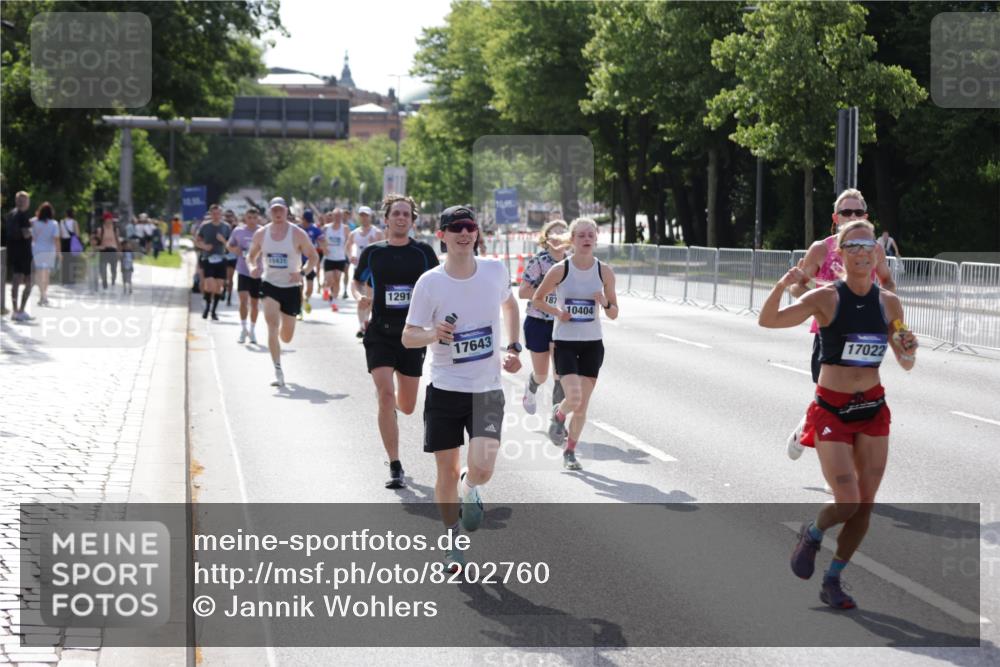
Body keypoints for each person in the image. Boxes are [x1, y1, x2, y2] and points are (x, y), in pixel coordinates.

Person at [759, 219, 918, 610]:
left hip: (873, 409)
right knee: (846, 501)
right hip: (831, 409)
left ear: (877, 255)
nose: (863, 252)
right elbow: (769, 320)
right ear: (841, 256)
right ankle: (813, 533)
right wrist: (782, 285)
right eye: (854, 246)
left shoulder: (889, 303)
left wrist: (909, 346)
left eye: (869, 246)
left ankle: (833, 578)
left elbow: (906, 360)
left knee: (865, 503)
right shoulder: (827, 297)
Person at [403, 205, 523, 572]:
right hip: (445, 388)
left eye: (470, 226)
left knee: (482, 468)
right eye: (456, 227)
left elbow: (510, 304)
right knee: (445, 471)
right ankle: (452, 540)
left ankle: (472, 488)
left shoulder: (493, 270)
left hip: (487, 388)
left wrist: (514, 348)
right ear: (441, 234)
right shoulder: (430, 282)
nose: (464, 233)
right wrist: (432, 334)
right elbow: (409, 337)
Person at [785, 189, 895, 461]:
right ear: (836, 217)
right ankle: (811, 431)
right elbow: (797, 288)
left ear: (866, 218)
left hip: (864, 336)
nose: (852, 216)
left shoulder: (876, 249)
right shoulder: (821, 249)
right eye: (846, 212)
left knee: (858, 400)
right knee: (832, 400)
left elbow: (887, 281)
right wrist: (813, 299)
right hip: (829, 335)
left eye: (858, 212)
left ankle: (839, 463)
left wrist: (887, 305)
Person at [355, 195, 439, 489]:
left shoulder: (423, 253)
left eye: (406, 214)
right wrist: (362, 297)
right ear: (386, 219)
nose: (401, 218)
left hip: (412, 335)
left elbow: (439, 283)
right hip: (379, 332)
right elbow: (357, 283)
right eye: (396, 213)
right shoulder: (373, 253)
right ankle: (395, 464)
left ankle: (390, 409)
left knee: (407, 405)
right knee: (385, 395)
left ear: (413, 220)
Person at [532, 218, 619, 471]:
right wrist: (558, 312)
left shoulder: (605, 272)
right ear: (573, 239)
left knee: (581, 406)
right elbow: (537, 300)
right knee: (574, 396)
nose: (586, 239)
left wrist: (603, 302)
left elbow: (614, 313)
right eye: (581, 235)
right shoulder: (561, 270)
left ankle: (570, 452)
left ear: (596, 238)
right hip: (566, 343)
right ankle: (559, 415)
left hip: (593, 344)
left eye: (590, 235)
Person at [247, 197, 319, 387]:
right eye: (274, 210)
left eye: (281, 210)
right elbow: (251, 256)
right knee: (271, 325)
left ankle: (280, 337)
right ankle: (278, 370)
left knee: (286, 336)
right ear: (270, 212)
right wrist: (253, 266)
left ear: (287, 211)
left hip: (291, 288)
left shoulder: (297, 234)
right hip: (269, 284)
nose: (278, 214)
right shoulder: (262, 234)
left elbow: (313, 257)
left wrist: (302, 272)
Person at [518, 220, 570, 414]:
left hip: (562, 323)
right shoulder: (539, 262)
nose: (558, 238)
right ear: (546, 240)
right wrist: (546, 293)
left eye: (563, 234)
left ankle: (557, 422)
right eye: (554, 234)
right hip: (538, 321)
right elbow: (522, 292)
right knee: (542, 374)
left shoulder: (573, 261)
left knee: (560, 375)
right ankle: (531, 387)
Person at [227, 207, 264, 344]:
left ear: (258, 218)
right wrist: (234, 249)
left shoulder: (263, 231)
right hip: (243, 270)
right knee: (243, 301)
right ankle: (243, 329)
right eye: (249, 218)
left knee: (254, 304)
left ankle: (252, 330)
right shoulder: (238, 231)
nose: (252, 221)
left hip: (257, 272)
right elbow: (229, 245)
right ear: (245, 218)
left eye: (255, 218)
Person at [346, 206, 383, 337]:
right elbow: (348, 246)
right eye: (361, 215)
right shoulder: (354, 233)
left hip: (372, 270)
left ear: (370, 216)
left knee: (369, 299)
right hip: (359, 270)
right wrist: (351, 256)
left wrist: (375, 244)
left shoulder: (376, 232)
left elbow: (383, 250)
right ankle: (362, 326)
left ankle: (367, 323)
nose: (364, 217)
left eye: (366, 215)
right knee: (361, 299)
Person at [194, 204, 231, 321]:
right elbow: (197, 241)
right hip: (208, 258)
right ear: (210, 214)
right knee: (209, 285)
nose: (216, 216)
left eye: (218, 213)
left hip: (221, 258)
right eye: (214, 213)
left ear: (221, 214)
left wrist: (223, 240)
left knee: (218, 287)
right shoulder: (205, 226)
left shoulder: (226, 227)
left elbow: (231, 245)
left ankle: (214, 311)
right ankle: (207, 307)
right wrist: (204, 246)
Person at [5, 191, 34, 322]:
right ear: (25, 202)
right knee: (29, 282)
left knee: (16, 281)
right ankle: (21, 310)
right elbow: (26, 234)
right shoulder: (22, 215)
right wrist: (33, 230)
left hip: (13, 251)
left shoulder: (11, 214)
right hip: (24, 252)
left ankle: (15, 310)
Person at [30, 202, 60, 307]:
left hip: (37, 249)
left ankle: (42, 294)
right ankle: (44, 295)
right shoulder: (54, 223)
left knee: (38, 273)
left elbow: (32, 236)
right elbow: (56, 239)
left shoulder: (34, 222)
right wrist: (59, 253)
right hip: (49, 250)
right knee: (46, 273)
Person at [298, 209, 325, 319]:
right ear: (302, 219)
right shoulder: (297, 229)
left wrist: (323, 247)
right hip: (297, 261)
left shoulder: (315, 229)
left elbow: (322, 241)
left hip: (310, 261)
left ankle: (305, 300)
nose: (308, 223)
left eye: (310, 221)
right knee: (300, 286)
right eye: (306, 221)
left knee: (309, 288)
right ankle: (299, 310)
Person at [321, 208, 349, 311]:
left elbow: (348, 241)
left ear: (342, 217)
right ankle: (326, 290)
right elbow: (320, 239)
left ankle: (333, 302)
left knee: (337, 280)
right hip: (329, 258)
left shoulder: (345, 228)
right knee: (330, 280)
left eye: (340, 216)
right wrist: (324, 248)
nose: (338, 218)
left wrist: (347, 253)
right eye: (336, 216)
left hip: (340, 258)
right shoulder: (326, 228)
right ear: (332, 216)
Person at [93, 211, 121, 291]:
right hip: (104, 250)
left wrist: (120, 251)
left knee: (114, 269)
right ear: (104, 220)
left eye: (110, 220)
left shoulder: (115, 229)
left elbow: (117, 240)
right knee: (102, 268)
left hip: (113, 250)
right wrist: (96, 248)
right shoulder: (100, 229)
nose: (109, 221)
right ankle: (104, 281)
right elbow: (97, 240)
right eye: (107, 220)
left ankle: (113, 281)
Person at [58, 208, 79, 283]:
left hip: (64, 242)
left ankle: (64, 279)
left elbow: (60, 234)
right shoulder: (74, 222)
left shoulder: (62, 222)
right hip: (72, 242)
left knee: (65, 261)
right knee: (72, 261)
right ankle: (72, 279)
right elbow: (77, 234)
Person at [223, 209, 239, 305]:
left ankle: (229, 297)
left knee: (230, 277)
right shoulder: (222, 227)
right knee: (224, 278)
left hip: (232, 256)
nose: (228, 219)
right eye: (227, 216)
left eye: (230, 216)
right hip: (223, 255)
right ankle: (224, 290)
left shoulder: (236, 229)